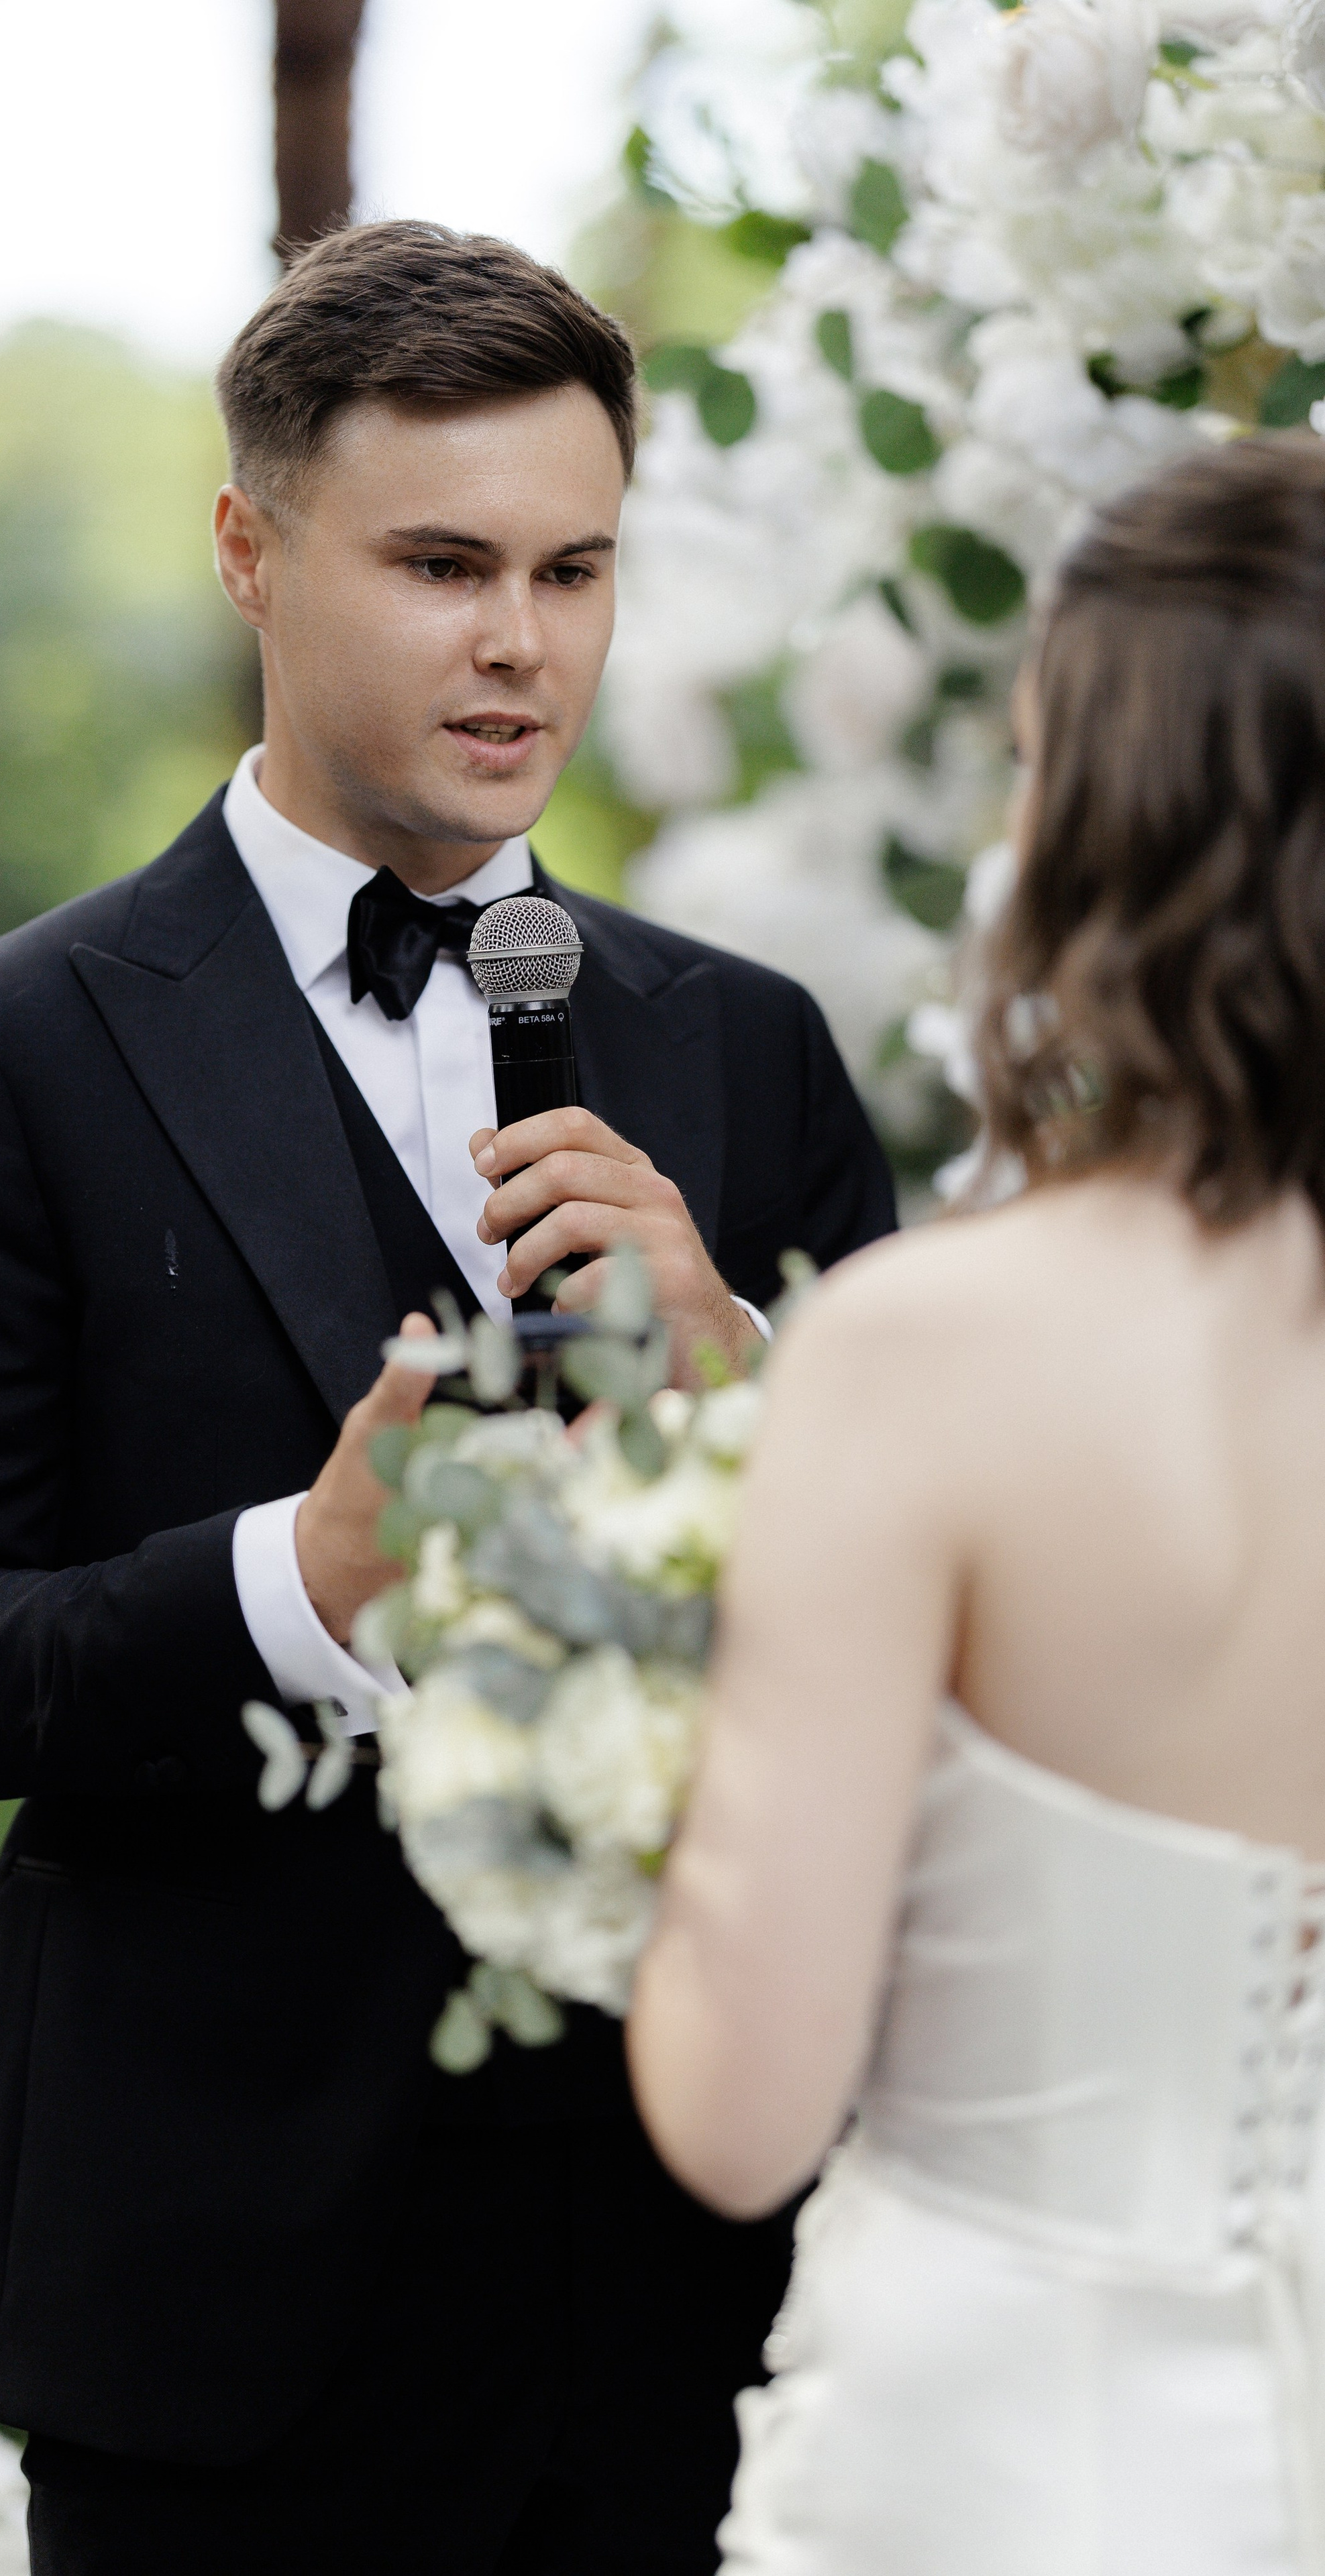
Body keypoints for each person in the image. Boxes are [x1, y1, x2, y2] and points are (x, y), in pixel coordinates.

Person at [0, 221, 894, 2574]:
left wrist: (762, 1393)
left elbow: (947, 1657)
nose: (521, 641)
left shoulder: (749, 1047)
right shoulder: (7, 1053)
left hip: (701, 2305)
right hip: (207, 2333)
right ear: (250, 550)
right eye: (440, 564)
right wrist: (295, 1582)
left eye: (574, 567)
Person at [629, 432, 1325, 2575]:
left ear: (1105, 831)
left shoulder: (922, 1356)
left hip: (991, 2454)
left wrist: (629, 1781)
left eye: (1032, 760)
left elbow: (738, 2116)